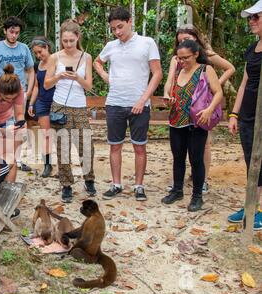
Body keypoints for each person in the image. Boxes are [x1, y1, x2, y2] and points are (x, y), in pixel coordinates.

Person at [93, 7, 162, 201]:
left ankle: (139, 186)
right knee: (115, 146)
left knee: (139, 147)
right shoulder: (111, 45)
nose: (118, 32)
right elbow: (97, 62)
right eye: (114, 29)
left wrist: (142, 99)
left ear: (130, 21)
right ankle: (116, 184)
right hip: (114, 103)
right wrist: (105, 76)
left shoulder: (147, 43)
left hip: (139, 105)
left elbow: (157, 73)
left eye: (120, 27)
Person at [164, 24, 235, 193]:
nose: (183, 42)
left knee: (203, 147)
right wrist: (168, 93)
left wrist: (213, 86)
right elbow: (171, 79)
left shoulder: (207, 58)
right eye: (180, 40)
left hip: (202, 108)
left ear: (195, 39)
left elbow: (230, 68)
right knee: (181, 152)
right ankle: (180, 185)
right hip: (181, 112)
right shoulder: (178, 59)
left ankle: (202, 182)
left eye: (187, 39)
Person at [161, 40, 223, 212]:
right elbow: (172, 92)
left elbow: (218, 92)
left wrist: (210, 110)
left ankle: (197, 196)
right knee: (178, 158)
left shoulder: (205, 70)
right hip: (176, 121)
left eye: (186, 57)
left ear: (196, 54)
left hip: (197, 122)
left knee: (196, 160)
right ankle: (177, 190)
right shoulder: (178, 71)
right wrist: (169, 99)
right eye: (179, 58)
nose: (182, 61)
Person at [44, 19, 96, 203]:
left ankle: (89, 180)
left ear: (78, 37)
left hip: (80, 105)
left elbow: (89, 85)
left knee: (86, 145)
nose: (67, 44)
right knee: (63, 147)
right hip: (60, 106)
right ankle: (66, 184)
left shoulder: (86, 57)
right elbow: (47, 83)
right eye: (64, 41)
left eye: (71, 41)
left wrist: (77, 78)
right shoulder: (54, 57)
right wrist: (59, 75)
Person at [227, 1, 262, 230]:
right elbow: (244, 84)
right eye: (250, 18)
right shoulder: (252, 49)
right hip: (248, 115)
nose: (251, 21)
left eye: (256, 17)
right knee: (252, 162)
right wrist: (234, 114)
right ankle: (252, 205)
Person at [0, 16, 35, 171]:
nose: (14, 35)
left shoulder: (24, 48)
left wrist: (28, 90)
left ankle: (17, 161)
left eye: (17, 33)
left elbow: (31, 70)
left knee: (18, 125)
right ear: (5, 31)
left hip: (19, 93)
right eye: (11, 32)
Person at [28, 36, 56, 178]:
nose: (39, 55)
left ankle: (65, 164)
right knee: (45, 135)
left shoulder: (57, 60)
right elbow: (36, 86)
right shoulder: (37, 65)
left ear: (47, 47)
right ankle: (47, 164)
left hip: (57, 102)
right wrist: (32, 103)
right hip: (42, 103)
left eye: (40, 52)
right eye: (36, 53)